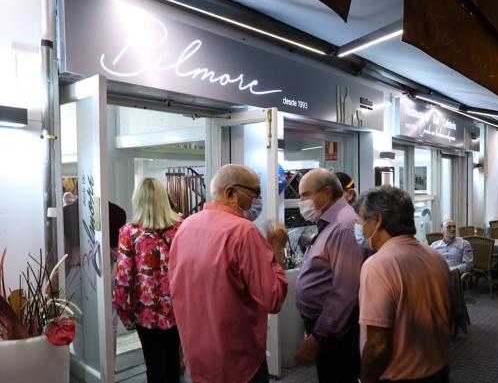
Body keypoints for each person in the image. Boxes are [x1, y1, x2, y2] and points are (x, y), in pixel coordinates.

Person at [168, 164, 288, 383]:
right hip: (239, 363)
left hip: (197, 356)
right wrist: (277, 251)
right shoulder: (244, 232)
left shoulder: (186, 227)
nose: (257, 200)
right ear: (231, 193)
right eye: (254, 193)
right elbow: (273, 299)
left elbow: (176, 288)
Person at [357, 186, 451, 383]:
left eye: (362, 220)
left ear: (378, 220)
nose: (360, 227)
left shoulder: (378, 265)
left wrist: (366, 379)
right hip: (439, 370)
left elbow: (377, 344)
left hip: (400, 376)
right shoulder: (436, 258)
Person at [295, 168, 364, 383]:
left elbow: (345, 291)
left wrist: (318, 335)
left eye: (305, 195)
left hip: (336, 332)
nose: (301, 201)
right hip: (325, 325)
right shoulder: (330, 223)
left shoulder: (344, 226)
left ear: (326, 192)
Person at [112, 177, 182, 383]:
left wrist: (124, 313)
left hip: (145, 312)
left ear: (138, 200)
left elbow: (123, 277)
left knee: (154, 365)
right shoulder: (181, 228)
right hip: (177, 309)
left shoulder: (129, 232)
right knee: (173, 362)